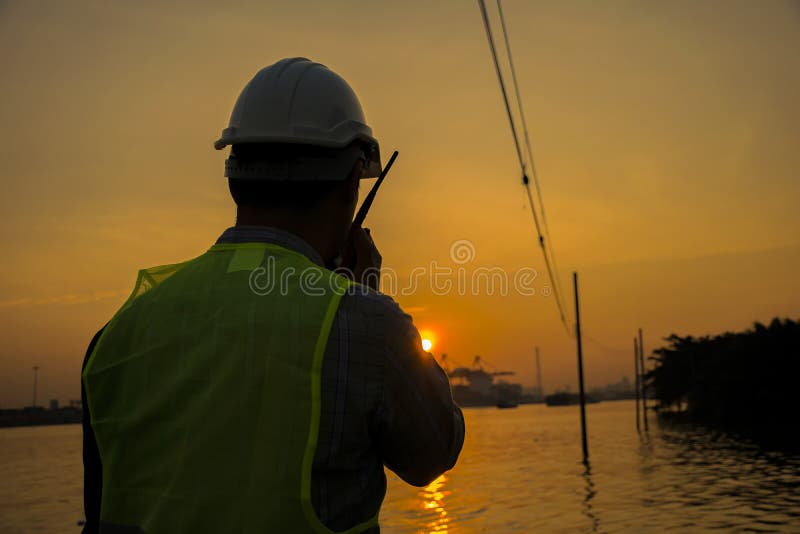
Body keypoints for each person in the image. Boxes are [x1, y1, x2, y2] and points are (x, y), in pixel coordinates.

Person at [81, 57, 464, 533]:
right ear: (351, 184)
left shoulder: (117, 334)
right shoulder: (363, 325)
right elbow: (434, 450)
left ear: (235, 177)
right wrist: (360, 298)